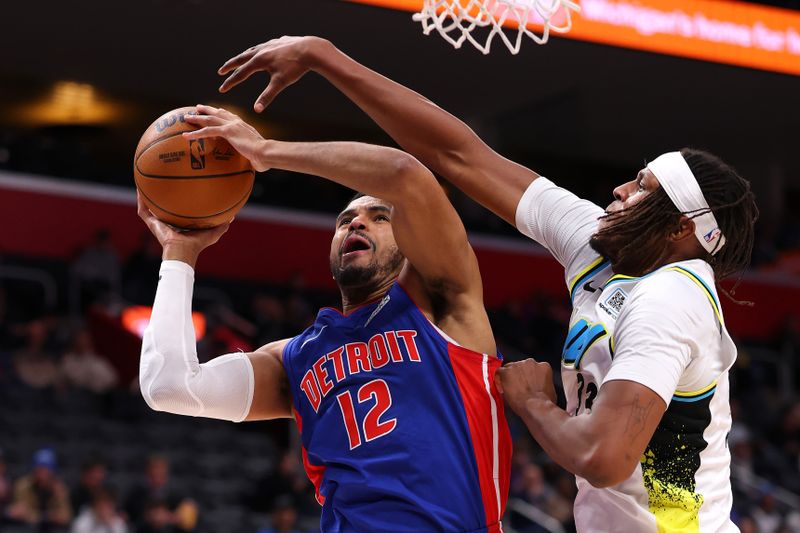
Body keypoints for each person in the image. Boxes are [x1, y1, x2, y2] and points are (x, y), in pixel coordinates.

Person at [215, 37, 758, 532]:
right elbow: (458, 156)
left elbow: (604, 456)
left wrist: (534, 404)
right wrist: (323, 57)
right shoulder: (599, 247)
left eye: (641, 188)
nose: (618, 189)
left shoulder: (672, 297)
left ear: (681, 228)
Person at [137, 104, 511, 532]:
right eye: (345, 220)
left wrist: (267, 151)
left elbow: (406, 176)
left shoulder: (442, 304)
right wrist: (179, 254)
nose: (357, 224)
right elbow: (169, 387)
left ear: (411, 239)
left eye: (379, 217)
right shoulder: (296, 358)